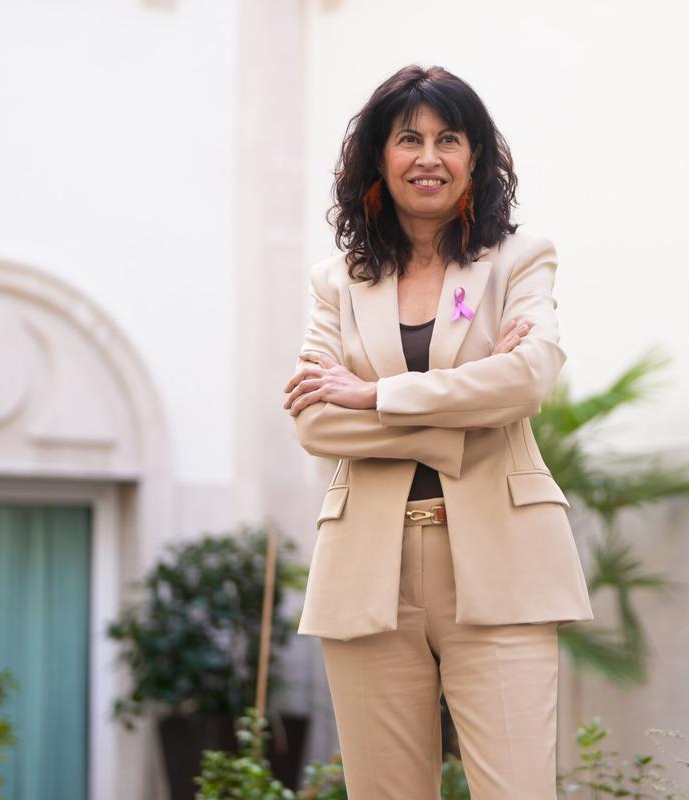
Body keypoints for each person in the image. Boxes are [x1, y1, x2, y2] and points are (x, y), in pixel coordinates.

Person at [282, 64, 594, 799]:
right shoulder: (337, 282)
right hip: (367, 572)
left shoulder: (519, 260)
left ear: (475, 158)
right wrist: (459, 415)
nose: (429, 156)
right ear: (378, 161)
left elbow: (527, 379)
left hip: (503, 565)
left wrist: (374, 395)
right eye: (409, 139)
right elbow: (314, 422)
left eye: (449, 138)